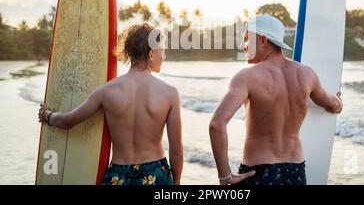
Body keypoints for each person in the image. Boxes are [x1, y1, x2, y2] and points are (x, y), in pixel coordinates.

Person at [38, 23, 183, 185]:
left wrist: (47, 115)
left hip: (118, 176)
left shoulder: (106, 91)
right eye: (162, 51)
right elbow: (176, 151)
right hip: (156, 174)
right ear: (151, 53)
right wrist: (176, 183)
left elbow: (68, 121)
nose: (164, 56)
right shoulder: (169, 93)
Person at [209, 15, 343, 185]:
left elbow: (216, 124)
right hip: (296, 171)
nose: (242, 46)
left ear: (263, 40)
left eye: (246, 40)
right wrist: (338, 103)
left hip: (259, 173)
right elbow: (332, 105)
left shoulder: (247, 77)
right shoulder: (307, 74)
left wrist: (224, 175)